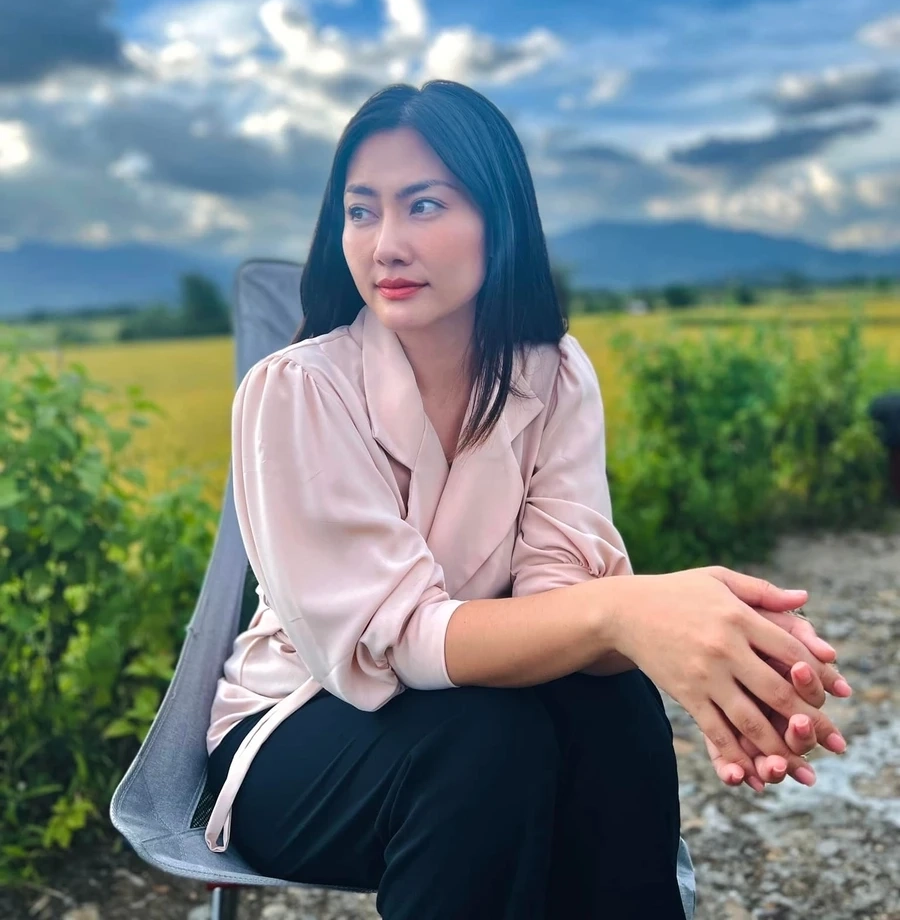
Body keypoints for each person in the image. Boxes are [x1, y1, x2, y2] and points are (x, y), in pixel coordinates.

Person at [204, 80, 852, 919]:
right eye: (361, 212)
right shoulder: (296, 391)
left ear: (500, 219)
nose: (386, 245)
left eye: (424, 205)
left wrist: (723, 642)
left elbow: (560, 595)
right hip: (296, 726)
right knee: (486, 741)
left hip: (474, 718)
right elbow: (398, 641)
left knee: (607, 699)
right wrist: (626, 612)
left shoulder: (554, 373)